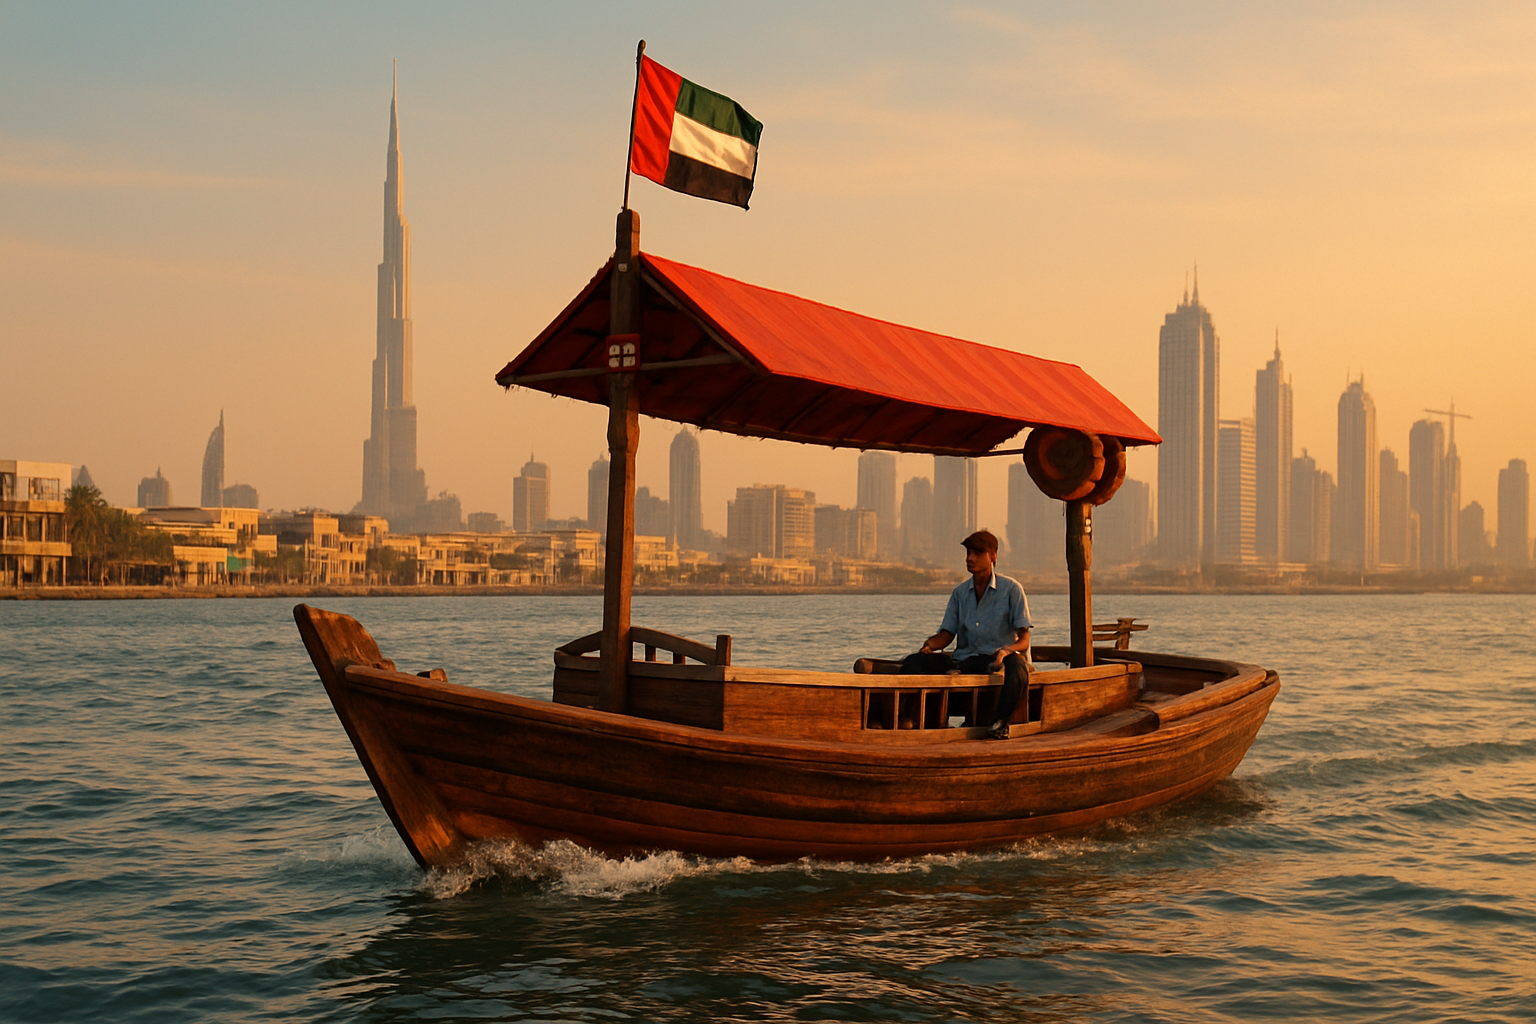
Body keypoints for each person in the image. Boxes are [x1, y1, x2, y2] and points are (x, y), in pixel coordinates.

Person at [901, 529, 1032, 740]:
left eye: (977, 553)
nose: (970, 558)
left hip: (997, 659)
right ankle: (921, 719)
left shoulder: (1011, 589)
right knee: (914, 662)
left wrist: (1006, 652)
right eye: (968, 553)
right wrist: (929, 646)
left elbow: (1024, 640)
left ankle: (1000, 722)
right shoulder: (960, 593)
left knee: (1018, 667)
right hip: (967, 661)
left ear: (993, 556)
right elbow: (946, 634)